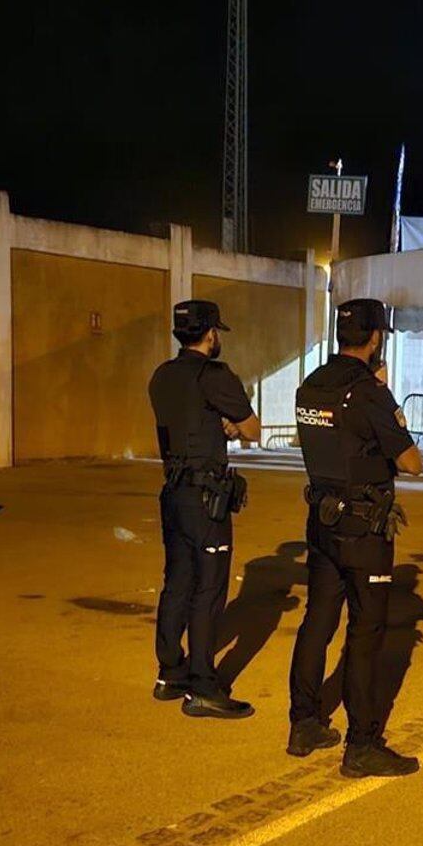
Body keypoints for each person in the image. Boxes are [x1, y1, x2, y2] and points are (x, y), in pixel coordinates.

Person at [288, 299, 423, 773]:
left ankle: (304, 721)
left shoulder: (311, 385)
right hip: (364, 529)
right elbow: (412, 461)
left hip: (322, 521)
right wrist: (384, 396)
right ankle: (362, 744)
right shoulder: (368, 393)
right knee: (366, 633)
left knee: (317, 621)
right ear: (375, 340)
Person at [147, 299, 261, 718]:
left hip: (173, 492)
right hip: (205, 499)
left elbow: (183, 423)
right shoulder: (214, 375)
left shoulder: (162, 376)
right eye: (217, 333)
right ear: (210, 334)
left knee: (176, 582)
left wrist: (217, 424)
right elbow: (252, 428)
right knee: (209, 589)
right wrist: (231, 425)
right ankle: (203, 685)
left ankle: (169, 672)